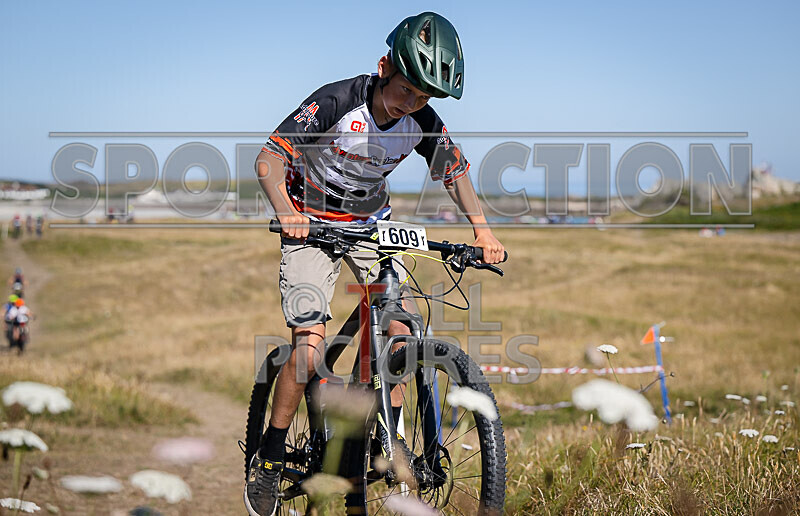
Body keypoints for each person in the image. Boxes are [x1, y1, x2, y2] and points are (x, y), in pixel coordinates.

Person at [245, 12, 505, 516]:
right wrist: (286, 212)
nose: (412, 103)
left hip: (370, 226)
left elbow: (455, 172)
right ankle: (272, 455)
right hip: (311, 224)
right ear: (385, 67)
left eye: (423, 98)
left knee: (401, 331)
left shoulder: (422, 120)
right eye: (406, 90)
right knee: (309, 348)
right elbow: (269, 159)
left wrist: (482, 230)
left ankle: (389, 440)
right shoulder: (338, 100)